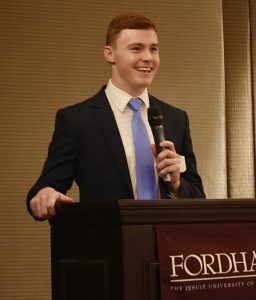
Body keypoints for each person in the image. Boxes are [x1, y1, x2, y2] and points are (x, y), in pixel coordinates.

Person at [26, 13, 205, 220]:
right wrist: (45, 194)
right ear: (110, 54)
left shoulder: (176, 118)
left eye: (153, 49)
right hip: (108, 245)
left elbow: (198, 195)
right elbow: (48, 186)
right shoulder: (77, 120)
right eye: (136, 48)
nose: (148, 57)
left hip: (169, 245)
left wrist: (176, 184)